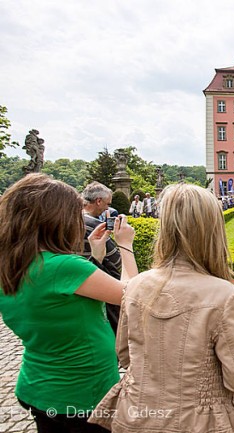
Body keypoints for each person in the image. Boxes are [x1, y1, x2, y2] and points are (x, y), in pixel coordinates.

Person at [89, 183, 234, 433]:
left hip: (138, 414)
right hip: (201, 420)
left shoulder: (136, 286)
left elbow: (124, 355)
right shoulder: (223, 295)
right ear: (213, 231)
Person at [0, 173, 137, 433]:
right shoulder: (64, 267)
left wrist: (95, 257)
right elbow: (135, 295)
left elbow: (57, 299)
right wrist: (125, 246)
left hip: (38, 384)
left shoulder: (13, 263)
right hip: (82, 392)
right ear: (57, 220)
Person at [81, 181, 123, 333]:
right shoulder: (95, 225)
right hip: (101, 282)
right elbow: (116, 259)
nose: (107, 208)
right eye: (107, 203)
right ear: (98, 201)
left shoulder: (68, 221)